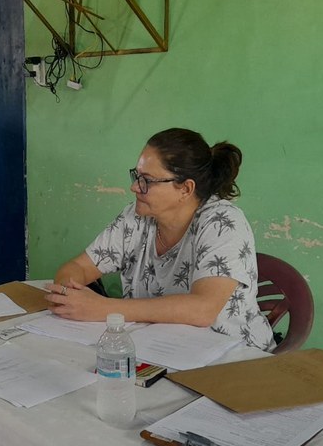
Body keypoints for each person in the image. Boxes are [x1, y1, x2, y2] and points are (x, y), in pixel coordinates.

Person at [47, 127, 275, 351]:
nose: (134, 187)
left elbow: (203, 309)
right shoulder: (136, 217)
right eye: (136, 176)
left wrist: (105, 308)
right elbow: (78, 266)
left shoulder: (223, 222)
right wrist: (70, 295)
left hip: (234, 359)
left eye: (147, 180)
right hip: (160, 350)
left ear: (185, 189)